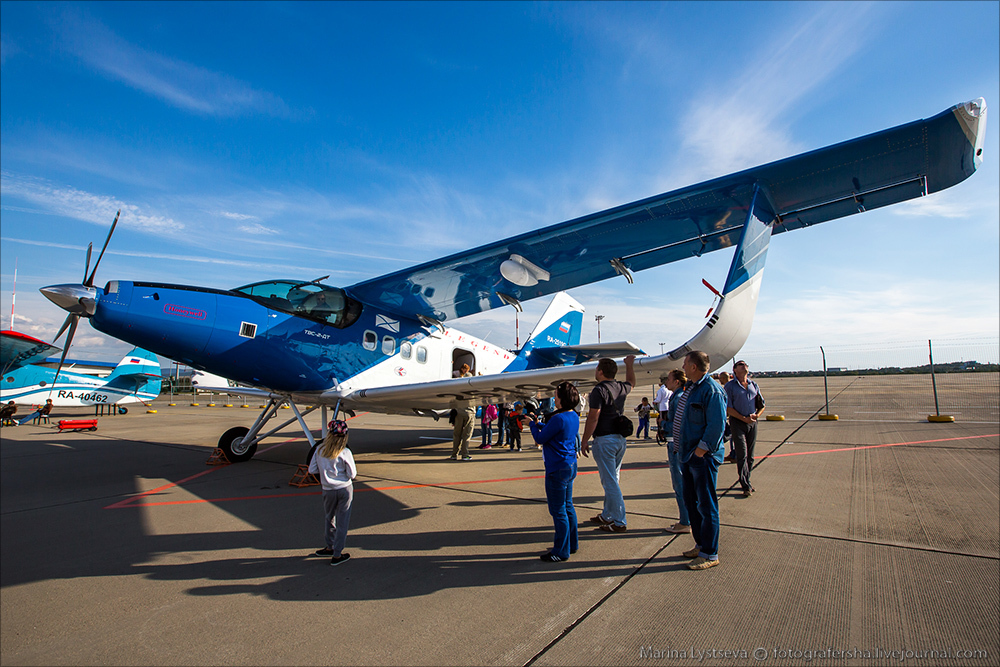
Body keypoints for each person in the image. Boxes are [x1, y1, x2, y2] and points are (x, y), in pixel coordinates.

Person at [675, 351, 727, 570]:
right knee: (692, 503)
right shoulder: (693, 388)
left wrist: (700, 452)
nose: (683, 367)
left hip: (701, 458)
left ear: (694, 367)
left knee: (706, 506)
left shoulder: (711, 390)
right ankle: (701, 544)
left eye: (686, 363)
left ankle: (710, 554)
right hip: (688, 456)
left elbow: (716, 426)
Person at [581, 355, 636, 533]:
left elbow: (593, 416)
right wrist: (630, 365)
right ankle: (608, 514)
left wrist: (584, 439)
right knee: (613, 478)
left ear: (601, 371)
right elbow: (631, 382)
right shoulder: (621, 387)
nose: (595, 371)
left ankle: (619, 521)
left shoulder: (598, 391)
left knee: (610, 481)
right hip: (620, 440)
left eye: (597, 368)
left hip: (605, 440)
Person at [528, 382, 581, 562]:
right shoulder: (572, 415)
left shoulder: (558, 418)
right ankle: (572, 544)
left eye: (557, 395)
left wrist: (532, 426)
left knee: (558, 511)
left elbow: (540, 438)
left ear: (562, 398)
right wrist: (540, 423)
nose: (554, 397)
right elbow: (556, 430)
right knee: (568, 506)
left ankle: (560, 550)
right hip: (569, 465)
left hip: (556, 467)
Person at [308, 420, 357, 566]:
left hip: (327, 489)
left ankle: (329, 546)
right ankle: (337, 554)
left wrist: (325, 473)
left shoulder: (320, 450)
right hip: (344, 489)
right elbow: (352, 474)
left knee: (329, 517)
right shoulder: (345, 452)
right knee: (343, 521)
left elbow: (311, 470)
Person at [724, 360, 765, 497]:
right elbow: (729, 408)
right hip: (738, 422)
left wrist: (755, 416)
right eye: (741, 364)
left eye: (745, 364)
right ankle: (745, 484)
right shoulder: (730, 387)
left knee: (751, 456)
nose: (744, 365)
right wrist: (743, 418)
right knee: (742, 454)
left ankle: (746, 479)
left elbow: (762, 405)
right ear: (735, 370)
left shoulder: (754, 385)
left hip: (752, 422)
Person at [664, 369, 690, 534]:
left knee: (679, 483)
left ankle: (685, 521)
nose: (666, 381)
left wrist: (663, 425)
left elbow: (677, 424)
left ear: (677, 382)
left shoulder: (679, 398)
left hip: (676, 444)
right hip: (675, 443)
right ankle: (686, 519)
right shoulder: (677, 396)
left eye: (669, 378)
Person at [450, 364, 475, 461]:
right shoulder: (473, 390)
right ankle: (465, 454)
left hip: (458, 412)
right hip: (469, 412)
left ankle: (453, 454)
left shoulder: (458, 389)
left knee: (456, 435)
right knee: (467, 435)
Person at [654, 378, 671, 445]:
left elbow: (658, 399)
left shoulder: (661, 390)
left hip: (662, 407)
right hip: (668, 407)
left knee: (661, 422)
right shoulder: (668, 389)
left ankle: (662, 435)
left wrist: (654, 402)